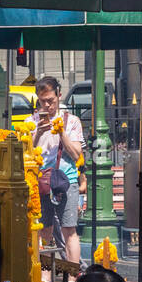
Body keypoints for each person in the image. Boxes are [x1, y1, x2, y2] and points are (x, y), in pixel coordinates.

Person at [33, 76, 84, 266]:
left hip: (66, 180)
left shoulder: (72, 121)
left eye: (51, 101)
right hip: (40, 181)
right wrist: (38, 132)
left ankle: (72, 275)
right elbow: (25, 153)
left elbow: (77, 153)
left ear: (59, 96)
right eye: (42, 101)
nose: (47, 105)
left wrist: (61, 132)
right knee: (43, 229)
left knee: (68, 229)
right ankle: (45, 275)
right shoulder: (31, 121)